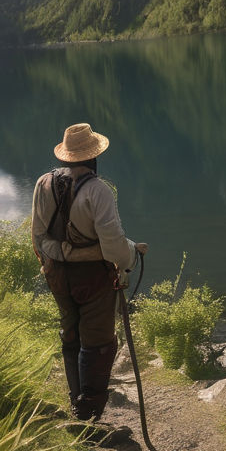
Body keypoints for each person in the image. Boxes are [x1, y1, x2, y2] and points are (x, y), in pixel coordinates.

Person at [31, 122, 147, 422]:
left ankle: (76, 399)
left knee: (70, 334)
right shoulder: (98, 191)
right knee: (98, 343)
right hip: (93, 279)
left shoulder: (44, 183)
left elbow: (38, 237)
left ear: (65, 156)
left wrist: (59, 257)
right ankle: (89, 413)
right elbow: (113, 247)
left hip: (56, 275)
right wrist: (132, 254)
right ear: (94, 157)